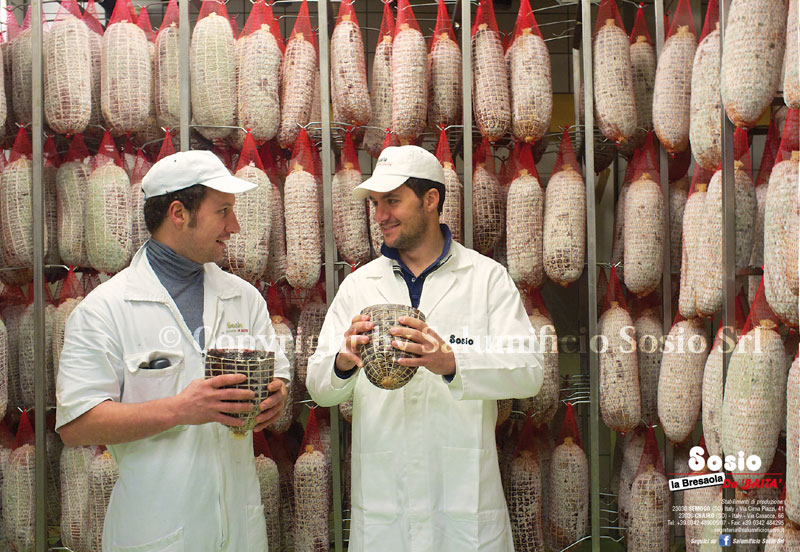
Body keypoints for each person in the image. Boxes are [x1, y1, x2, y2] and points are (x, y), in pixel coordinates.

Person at [306, 145, 544, 551]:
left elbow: (529, 372)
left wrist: (451, 361)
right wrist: (344, 361)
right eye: (376, 203)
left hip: (463, 505)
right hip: (386, 507)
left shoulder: (486, 279)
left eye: (393, 201)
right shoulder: (359, 286)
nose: (380, 215)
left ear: (431, 200)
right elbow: (319, 388)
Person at [56, 150, 290, 551]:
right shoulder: (105, 309)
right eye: (223, 211)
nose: (234, 226)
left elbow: (278, 372)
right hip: (157, 531)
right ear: (178, 213)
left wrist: (277, 396)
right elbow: (77, 425)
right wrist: (181, 410)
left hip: (240, 531)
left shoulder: (244, 298)